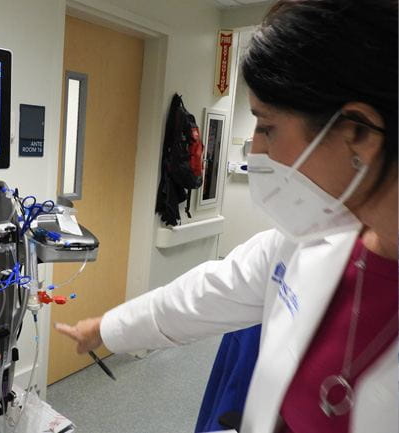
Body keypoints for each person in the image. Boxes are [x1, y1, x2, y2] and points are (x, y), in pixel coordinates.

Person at [54, 0, 398, 432]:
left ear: (359, 133)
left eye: (267, 127)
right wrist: (109, 326)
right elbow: (209, 291)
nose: (255, 152)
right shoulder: (314, 238)